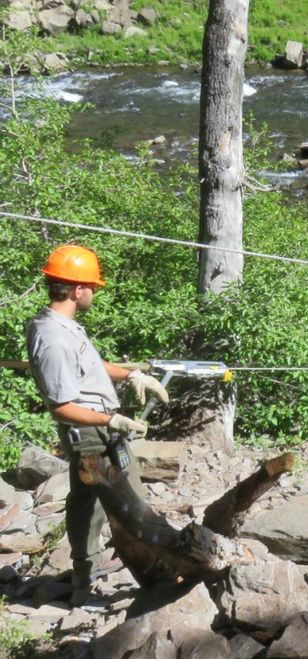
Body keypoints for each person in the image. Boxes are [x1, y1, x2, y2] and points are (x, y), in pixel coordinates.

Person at [24, 245, 169, 606]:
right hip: (90, 434)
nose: (94, 292)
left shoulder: (64, 327)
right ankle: (158, 574)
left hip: (98, 430)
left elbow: (91, 365)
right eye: (92, 286)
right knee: (129, 501)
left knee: (88, 503)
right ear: (77, 290)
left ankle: (85, 576)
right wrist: (111, 419)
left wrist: (132, 375)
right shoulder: (54, 338)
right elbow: (61, 407)